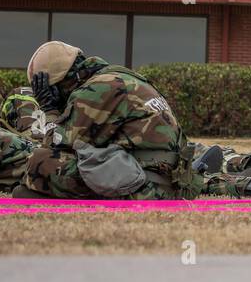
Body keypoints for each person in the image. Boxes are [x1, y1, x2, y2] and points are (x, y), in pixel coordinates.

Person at [17, 40, 210, 200]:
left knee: (39, 162)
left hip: (149, 188)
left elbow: (56, 145)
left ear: (60, 84)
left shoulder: (96, 89)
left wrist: (50, 109)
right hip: (171, 180)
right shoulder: (119, 76)